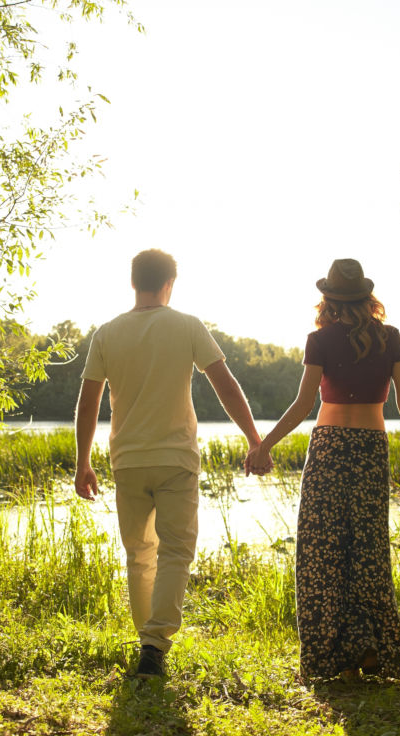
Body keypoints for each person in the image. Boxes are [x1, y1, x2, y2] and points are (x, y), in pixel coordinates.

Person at [74, 248, 270, 678]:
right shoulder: (188, 326)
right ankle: (154, 645)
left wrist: (82, 462)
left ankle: (148, 640)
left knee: (139, 553)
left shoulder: (107, 333)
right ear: (170, 284)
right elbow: (226, 384)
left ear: (132, 282)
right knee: (176, 551)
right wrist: (255, 439)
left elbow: (88, 402)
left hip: (127, 460)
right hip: (176, 459)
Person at [246, 258, 400, 681]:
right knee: (367, 549)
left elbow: (304, 404)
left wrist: (263, 445)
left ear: (329, 300)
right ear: (366, 297)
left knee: (322, 551)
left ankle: (332, 656)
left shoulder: (319, 340)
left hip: (328, 449)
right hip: (370, 448)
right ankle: (370, 647)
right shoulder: (391, 338)